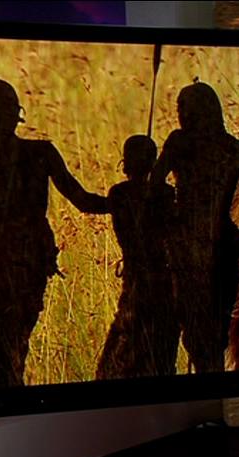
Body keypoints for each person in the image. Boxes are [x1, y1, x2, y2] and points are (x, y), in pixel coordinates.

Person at [0, 78, 109, 388]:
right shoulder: (40, 152)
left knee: (3, 352)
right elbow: (83, 200)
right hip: (22, 264)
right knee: (10, 352)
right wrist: (125, 200)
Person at [151, 80, 239, 373]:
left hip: (187, 246)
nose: (180, 114)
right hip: (225, 246)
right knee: (216, 330)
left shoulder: (180, 142)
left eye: (183, 107)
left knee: (196, 329)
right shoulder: (236, 149)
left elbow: (154, 187)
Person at [96, 135, 180, 379]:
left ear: (125, 163)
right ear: (153, 163)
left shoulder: (119, 194)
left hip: (135, 284)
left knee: (119, 356)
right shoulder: (167, 194)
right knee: (160, 354)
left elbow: (88, 202)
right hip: (164, 283)